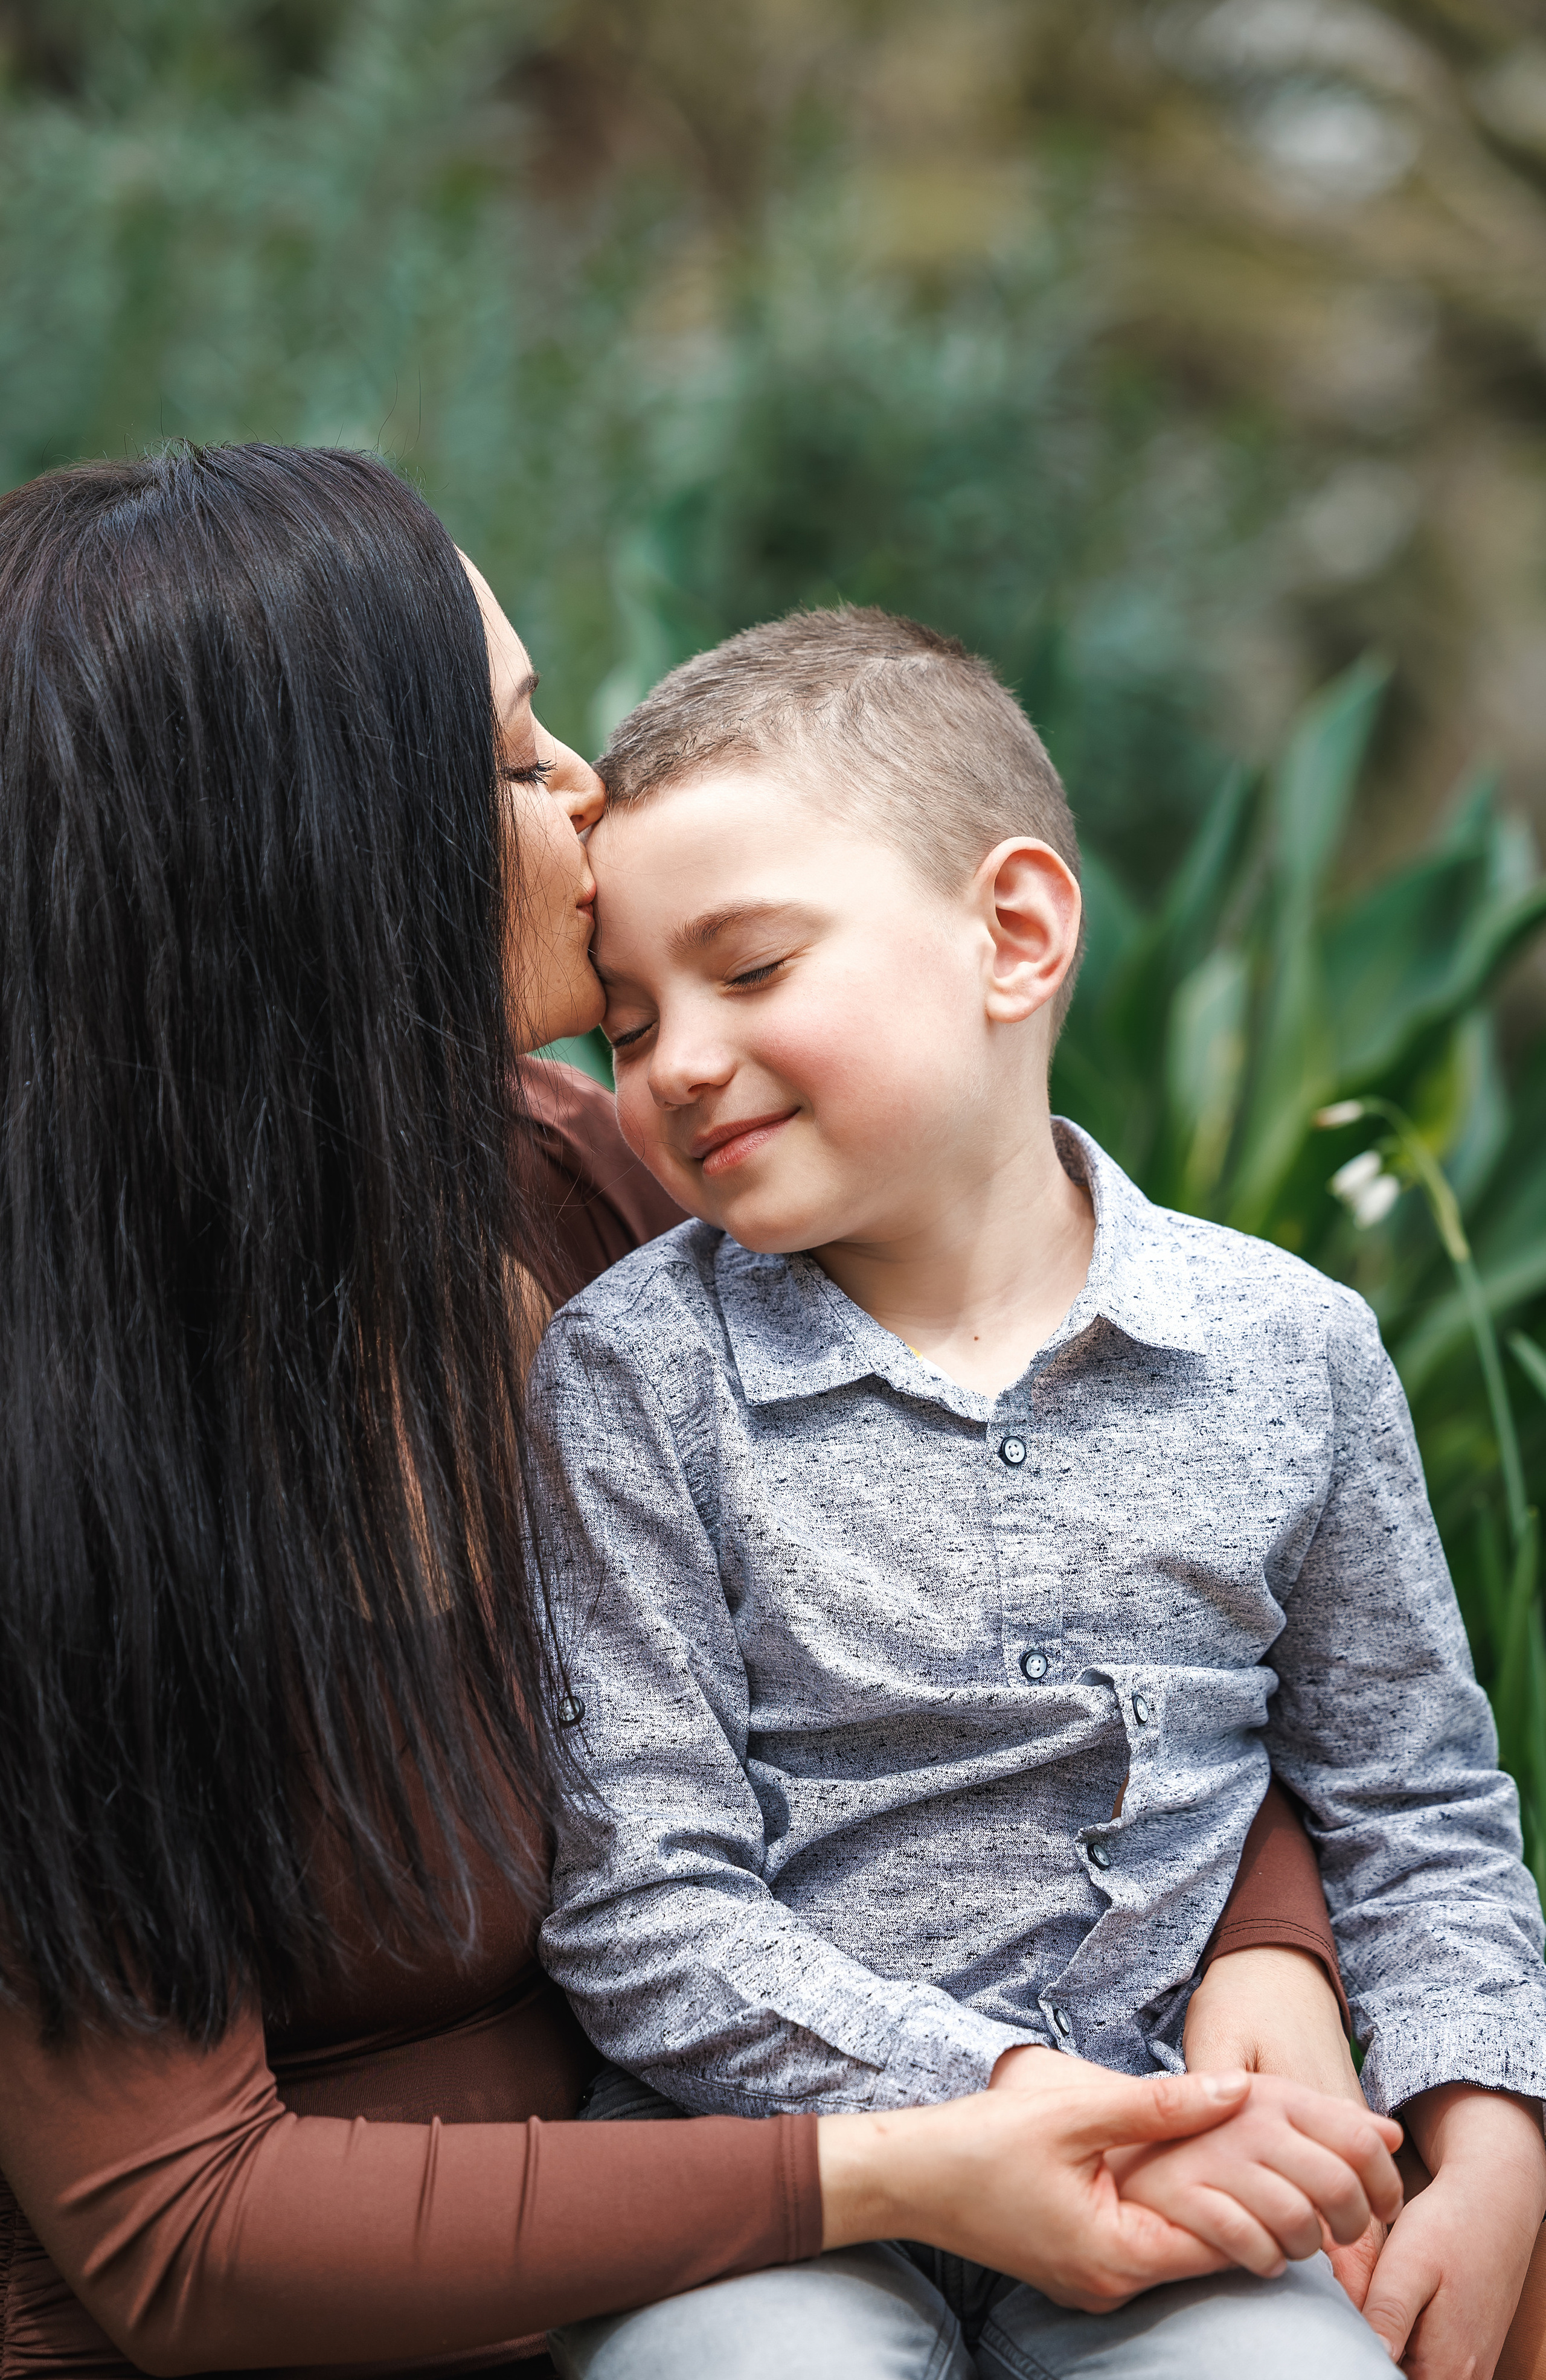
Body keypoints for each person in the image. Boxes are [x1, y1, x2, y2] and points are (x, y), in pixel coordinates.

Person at [0, 446, 1385, 2380]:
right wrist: (899, 2169)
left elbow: (1061, 1593)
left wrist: (1263, 1947)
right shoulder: (59, 1448)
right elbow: (183, 2236)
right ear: (315, 865)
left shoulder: (589, 1194)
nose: (592, 792)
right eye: (515, 759)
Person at [531, 606, 1546, 2379]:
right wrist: (1012, 2104)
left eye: (750, 970)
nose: (676, 1061)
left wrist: (1491, 2124)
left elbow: (1416, 1799)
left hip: (1197, 2186)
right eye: (627, 1024)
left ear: (1013, 933)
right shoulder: (634, 1372)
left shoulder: (1290, 1348)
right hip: (779, 2180)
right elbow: (647, 1902)